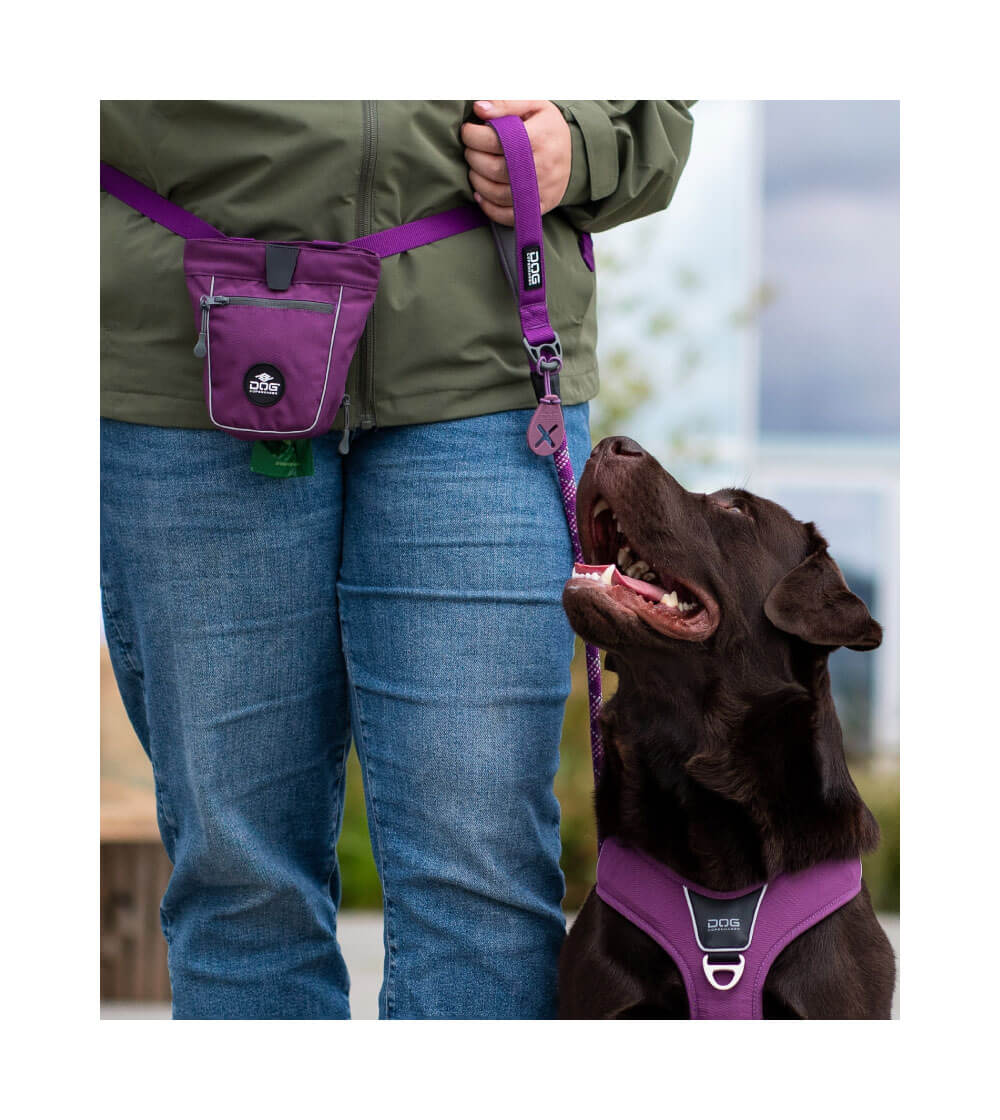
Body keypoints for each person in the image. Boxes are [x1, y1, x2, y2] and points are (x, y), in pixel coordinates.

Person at [100, 99, 695, 1019]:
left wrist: (589, 140)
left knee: (483, 883)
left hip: (483, 362)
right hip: (186, 351)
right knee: (241, 887)